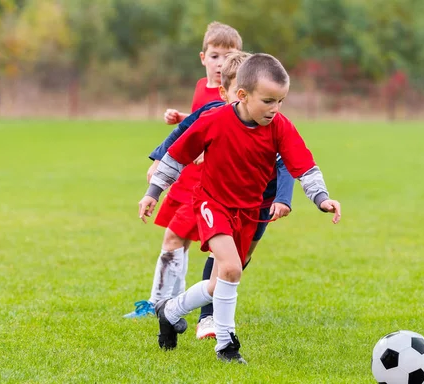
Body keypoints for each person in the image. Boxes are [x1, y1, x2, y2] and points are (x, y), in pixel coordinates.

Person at [138, 53, 342, 364]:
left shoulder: (279, 127)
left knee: (219, 283)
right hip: (212, 203)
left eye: (281, 101)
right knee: (232, 268)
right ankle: (226, 346)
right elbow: (176, 156)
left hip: (248, 213)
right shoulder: (213, 121)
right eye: (268, 101)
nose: (275, 109)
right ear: (243, 95)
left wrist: (322, 198)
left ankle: (170, 310)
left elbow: (303, 165)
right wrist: (154, 192)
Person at [125, 53, 294, 331]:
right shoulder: (213, 115)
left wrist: (283, 198)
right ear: (227, 92)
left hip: (258, 206)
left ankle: (177, 308)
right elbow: (183, 133)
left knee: (236, 264)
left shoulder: (270, 127)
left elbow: (287, 163)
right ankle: (207, 320)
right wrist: (157, 167)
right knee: (212, 256)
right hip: (213, 198)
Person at [124, 22, 243, 319]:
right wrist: (182, 119)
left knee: (173, 239)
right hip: (184, 177)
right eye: (215, 56)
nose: (221, 64)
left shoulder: (234, 97)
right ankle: (173, 301)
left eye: (229, 57)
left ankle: (159, 305)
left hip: (204, 186)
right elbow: (200, 123)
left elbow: (221, 129)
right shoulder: (202, 88)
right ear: (203, 57)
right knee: (179, 241)